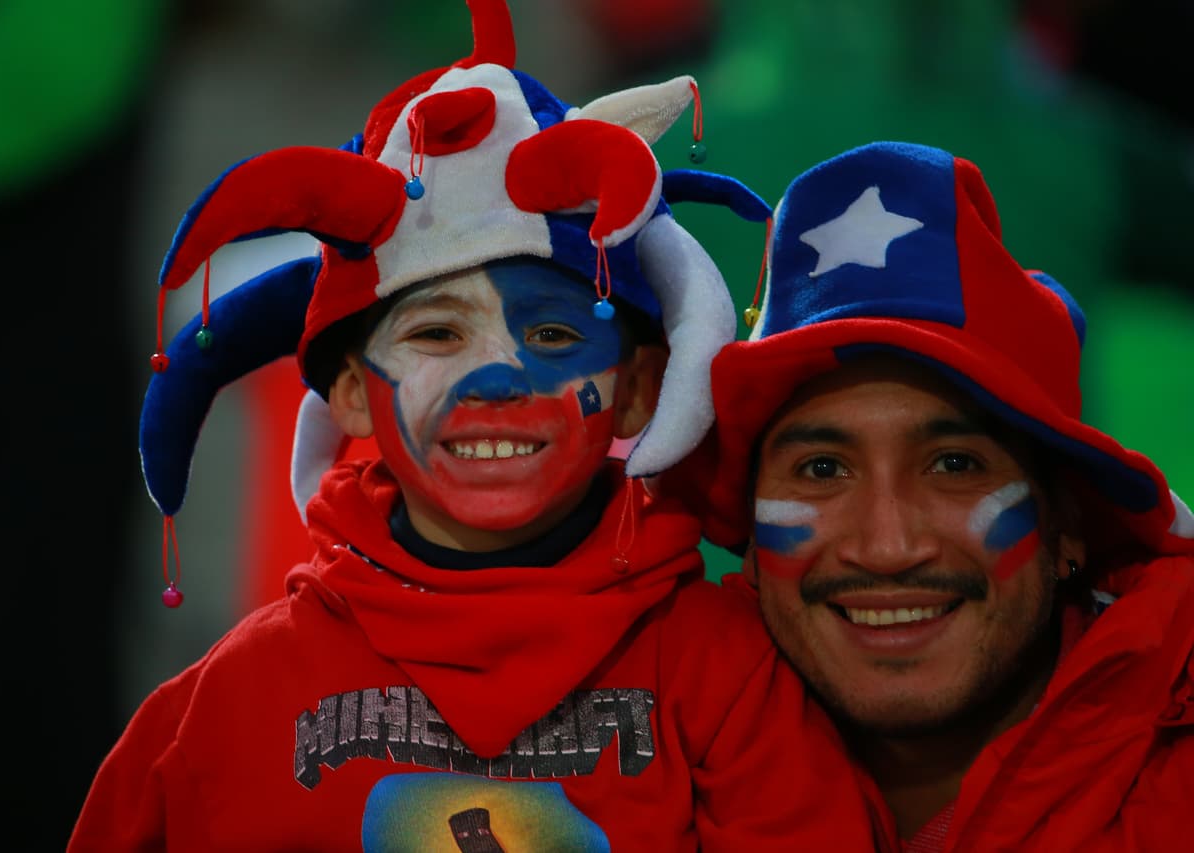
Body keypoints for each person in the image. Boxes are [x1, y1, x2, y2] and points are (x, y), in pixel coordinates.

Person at [68, 2, 880, 849]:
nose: (496, 377)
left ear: (640, 390)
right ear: (350, 393)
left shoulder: (728, 677)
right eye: (436, 333)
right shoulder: (228, 704)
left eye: (554, 334)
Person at [675, 140, 1194, 851]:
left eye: (954, 464)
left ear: (1068, 522)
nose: (888, 547)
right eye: (822, 469)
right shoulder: (640, 776)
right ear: (752, 546)